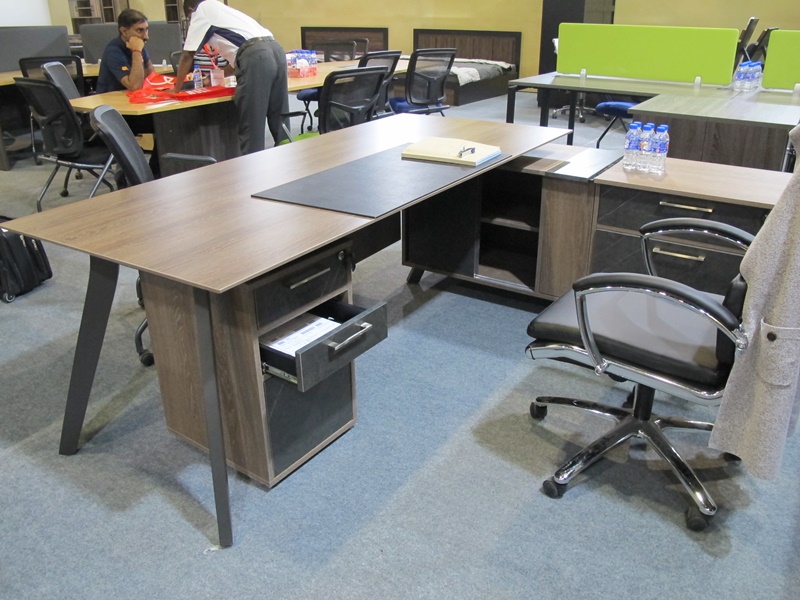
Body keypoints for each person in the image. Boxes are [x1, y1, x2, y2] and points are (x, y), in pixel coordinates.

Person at [174, 0, 290, 154]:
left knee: (252, 125)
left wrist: (176, 89)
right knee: (280, 119)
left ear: (190, 10)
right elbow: (240, 60)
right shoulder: (223, 11)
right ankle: (287, 158)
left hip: (256, 56)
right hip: (276, 49)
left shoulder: (200, 10)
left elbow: (187, 55)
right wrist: (211, 78)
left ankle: (253, 166)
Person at [96, 9, 155, 93]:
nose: (146, 36)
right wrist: (136, 52)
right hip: (111, 99)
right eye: (139, 30)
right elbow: (135, 87)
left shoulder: (138, 45)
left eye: (146, 30)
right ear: (124, 31)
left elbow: (152, 78)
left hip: (131, 97)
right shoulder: (113, 51)